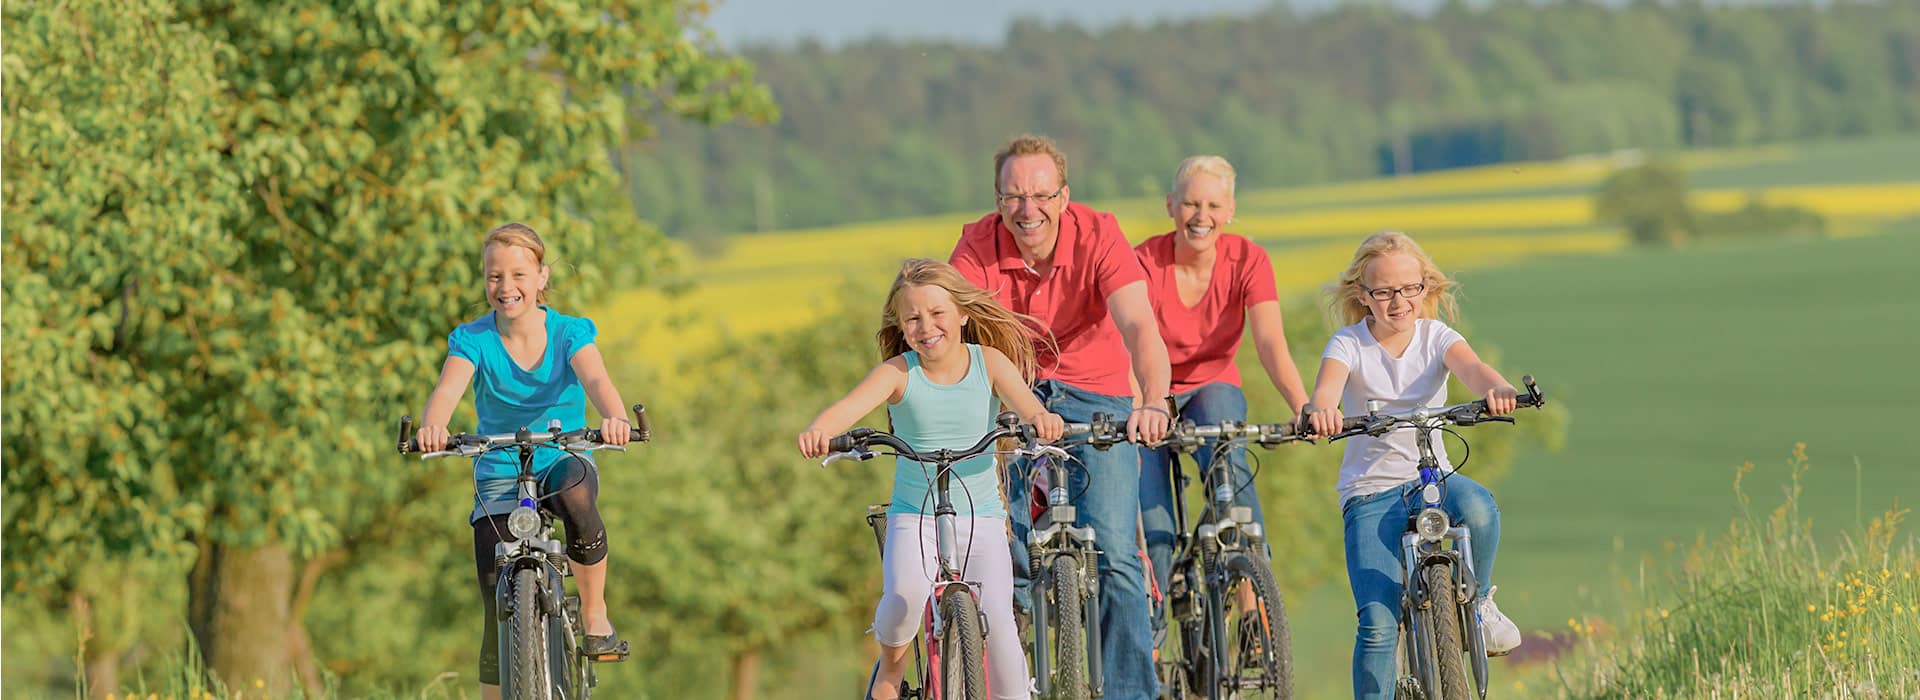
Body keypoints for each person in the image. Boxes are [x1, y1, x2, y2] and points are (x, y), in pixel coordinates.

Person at [948, 134, 1173, 700]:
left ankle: (1130, 692)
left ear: (1064, 195)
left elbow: (1140, 326)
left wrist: (1152, 398)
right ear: (998, 200)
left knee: (1117, 552)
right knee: (1008, 554)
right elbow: (952, 336)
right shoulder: (976, 247)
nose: (1028, 209)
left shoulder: (1099, 234)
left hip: (1096, 388)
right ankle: (1010, 679)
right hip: (1014, 389)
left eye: (1041, 194)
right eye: (1014, 196)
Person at [798, 258, 1065, 700]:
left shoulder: (989, 362)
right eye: (913, 319)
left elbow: (1026, 406)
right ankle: (890, 667)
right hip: (915, 517)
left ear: (962, 314)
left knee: (999, 624)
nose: (927, 327)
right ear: (901, 327)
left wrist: (1042, 419)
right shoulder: (899, 372)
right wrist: (820, 431)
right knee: (903, 597)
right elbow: (848, 407)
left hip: (980, 516)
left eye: (937, 314)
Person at [412, 223, 635, 700]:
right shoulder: (472, 339)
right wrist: (434, 426)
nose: (505, 287)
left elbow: (596, 380)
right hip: (497, 465)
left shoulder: (570, 332)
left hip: (561, 454)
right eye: (494, 277)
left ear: (541, 277)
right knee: (497, 602)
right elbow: (447, 391)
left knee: (576, 494)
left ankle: (594, 613)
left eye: (517, 274)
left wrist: (614, 417)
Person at [1300, 231, 1524, 698]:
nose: (1398, 301)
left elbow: (1473, 369)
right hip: (1370, 492)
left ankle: (1478, 603)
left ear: (1426, 288)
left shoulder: (1437, 336)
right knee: (1379, 625)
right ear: (1364, 296)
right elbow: (1326, 389)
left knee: (1479, 509)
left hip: (1433, 477)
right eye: (1384, 291)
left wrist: (1497, 388)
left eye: (1409, 288)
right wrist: (1322, 410)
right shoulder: (1349, 344)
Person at [1133, 155, 1310, 632]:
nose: (1200, 215)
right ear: (1170, 205)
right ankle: (1149, 640)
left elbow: (1271, 343)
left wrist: (1303, 406)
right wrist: (1146, 404)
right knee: (1154, 526)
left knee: (1230, 465)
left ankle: (1254, 609)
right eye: (1190, 203)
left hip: (1212, 384)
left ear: (1230, 210)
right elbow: (1127, 342)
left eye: (1212, 204)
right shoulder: (1143, 261)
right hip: (1148, 389)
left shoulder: (1249, 259)